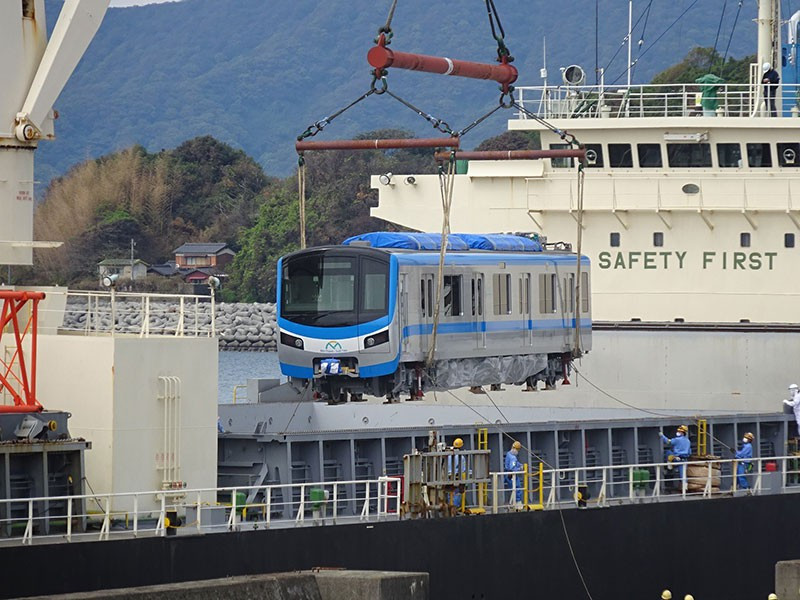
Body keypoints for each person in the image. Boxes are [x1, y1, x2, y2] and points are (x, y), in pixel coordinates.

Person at [504, 440, 524, 505]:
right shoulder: (513, 457)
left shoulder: (508, 454)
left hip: (507, 474)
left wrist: (519, 464)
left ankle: (513, 502)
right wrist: (520, 469)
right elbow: (512, 468)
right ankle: (518, 502)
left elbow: (515, 463)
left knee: (513, 488)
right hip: (511, 475)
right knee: (517, 487)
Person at [448, 438, 465, 509]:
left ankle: (449, 507)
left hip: (448, 478)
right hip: (457, 477)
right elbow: (463, 469)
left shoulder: (448, 456)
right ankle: (455, 508)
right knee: (457, 493)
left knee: (449, 493)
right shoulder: (462, 457)